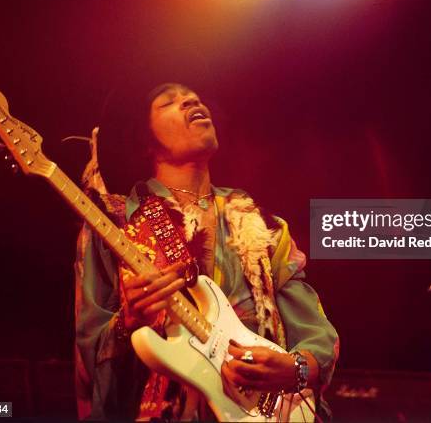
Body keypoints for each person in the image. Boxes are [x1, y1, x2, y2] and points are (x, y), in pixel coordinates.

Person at [74, 83, 339, 421]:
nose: (190, 99)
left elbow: (313, 330)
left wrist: (298, 369)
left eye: (193, 96)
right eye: (169, 102)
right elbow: (88, 352)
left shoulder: (265, 225)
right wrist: (129, 324)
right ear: (145, 141)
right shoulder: (114, 226)